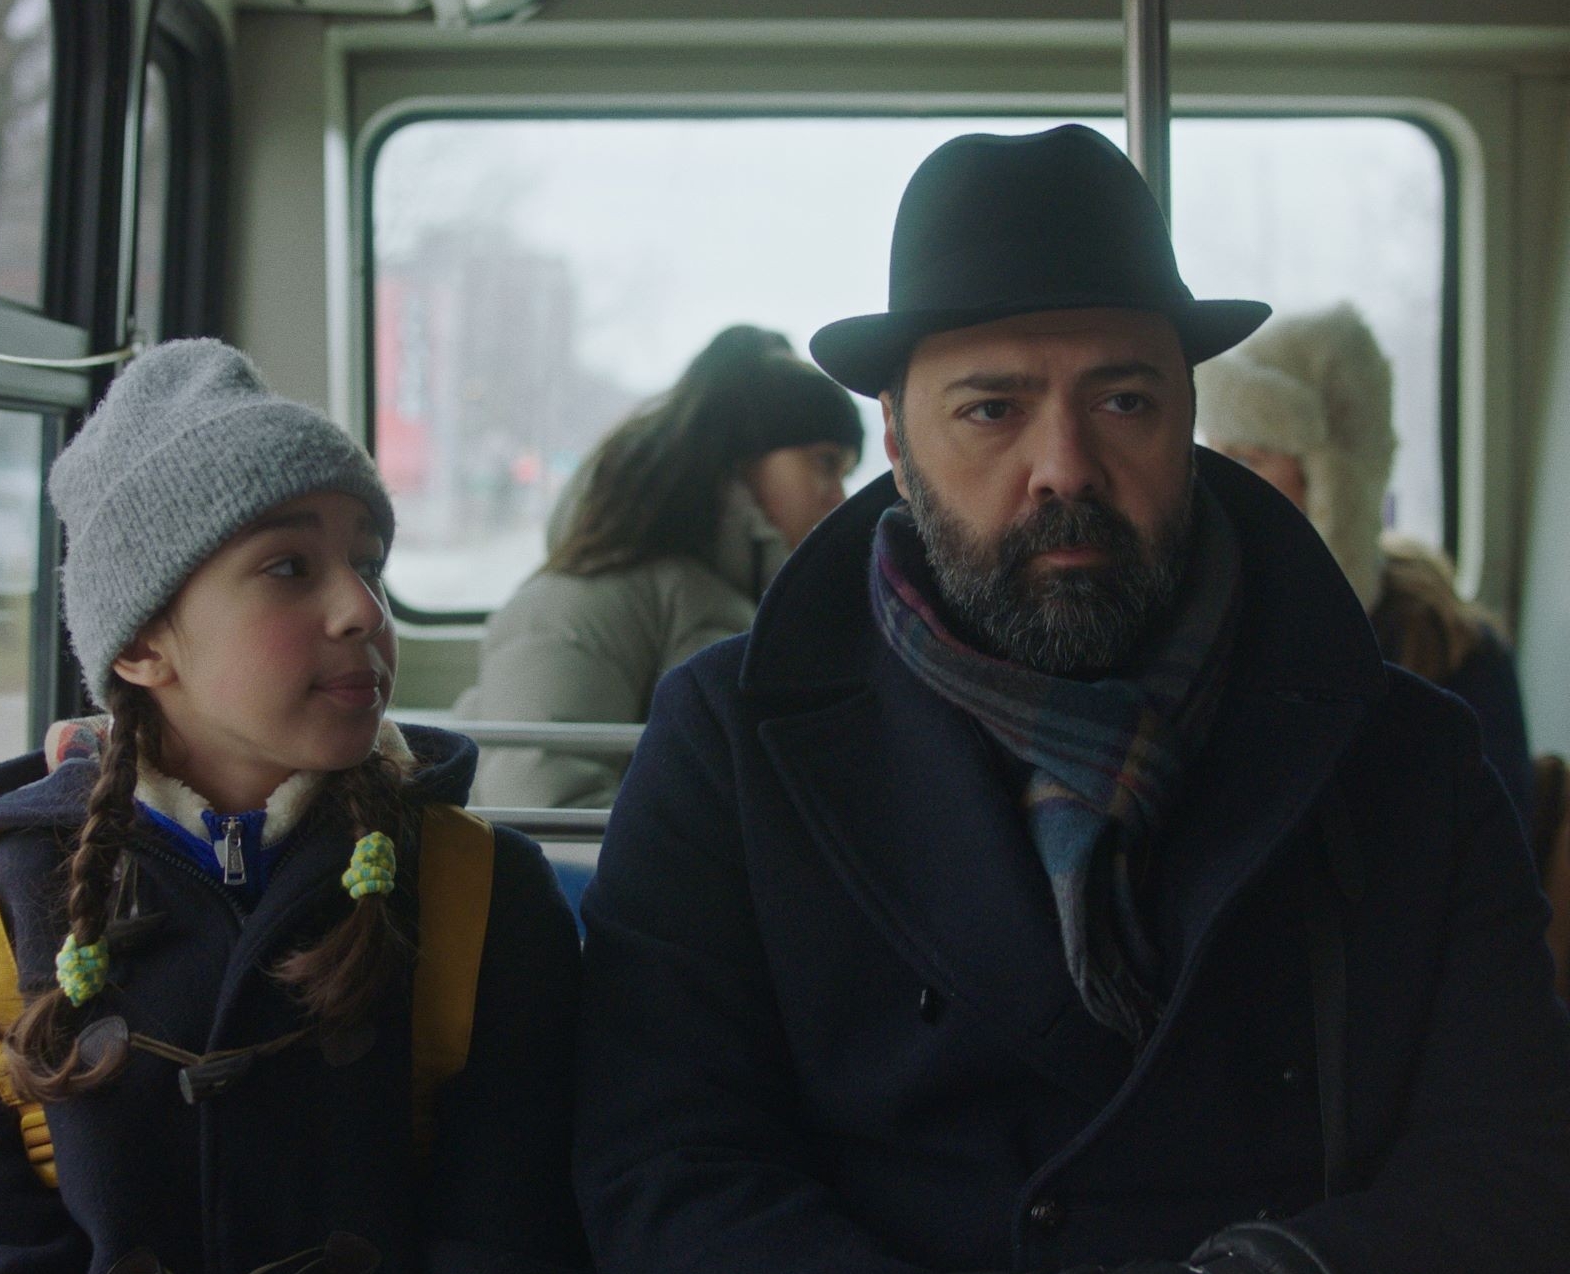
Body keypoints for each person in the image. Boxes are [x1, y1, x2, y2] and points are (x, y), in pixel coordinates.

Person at [573, 125, 1570, 1274]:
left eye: (1124, 401)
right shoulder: (728, 746)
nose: (1065, 467)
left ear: (1187, 421)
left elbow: (1511, 1155)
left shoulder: (1405, 758)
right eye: (992, 409)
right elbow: (666, 1161)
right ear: (897, 442)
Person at [0, 340, 587, 1273]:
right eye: (290, 567)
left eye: (367, 565)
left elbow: (514, 1230)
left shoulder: (483, 897)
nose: (363, 610)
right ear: (141, 649)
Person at [456, 325, 864, 811]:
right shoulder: (579, 602)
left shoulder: (748, 605)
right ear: (743, 463)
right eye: (824, 463)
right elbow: (546, 810)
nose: (839, 498)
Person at [1194, 303, 1534, 819]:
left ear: (1330, 483)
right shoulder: (1207, 619)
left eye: (1247, 460)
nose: (1222, 485)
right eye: (1214, 457)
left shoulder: (1454, 652)